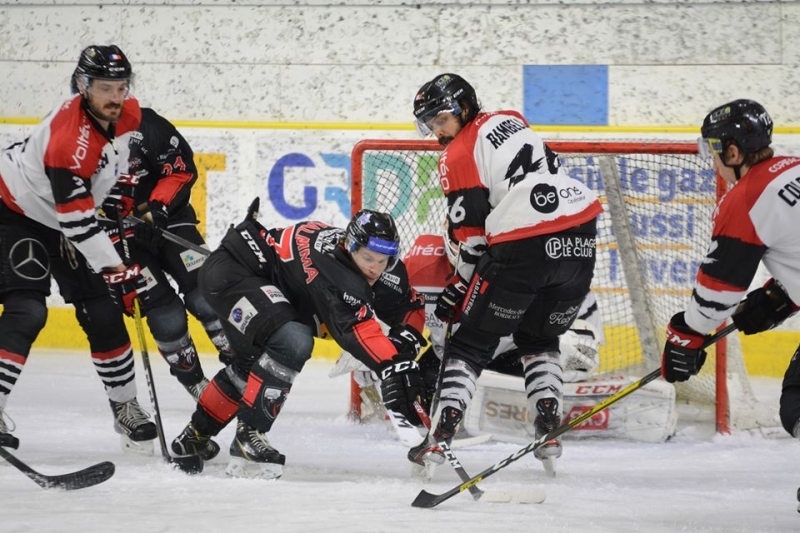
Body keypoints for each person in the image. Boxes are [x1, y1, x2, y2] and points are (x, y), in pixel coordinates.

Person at [411, 73, 603, 474]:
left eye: (441, 120)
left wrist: (458, 288)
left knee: (468, 343)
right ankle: (548, 428)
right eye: (430, 125)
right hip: (581, 234)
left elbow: (474, 239)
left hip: (525, 236)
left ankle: (439, 437)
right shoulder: (512, 119)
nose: (437, 132)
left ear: (464, 108)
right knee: (540, 337)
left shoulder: (457, 154)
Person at [170, 205, 429, 479]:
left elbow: (409, 305)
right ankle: (249, 437)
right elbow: (355, 330)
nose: (375, 268)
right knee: (292, 340)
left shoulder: (371, 265)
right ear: (349, 245)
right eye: (368, 258)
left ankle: (192, 438)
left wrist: (406, 340)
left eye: (383, 260)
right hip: (233, 274)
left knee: (251, 369)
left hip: (267, 286)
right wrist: (394, 365)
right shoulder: (334, 269)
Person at [0, 45, 157, 451]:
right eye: (106, 87)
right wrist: (114, 268)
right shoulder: (66, 139)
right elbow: (77, 222)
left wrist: (118, 191)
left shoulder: (128, 114)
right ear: (83, 85)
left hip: (66, 217)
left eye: (122, 86)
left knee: (102, 310)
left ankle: (126, 407)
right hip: (15, 211)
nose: (116, 96)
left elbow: (110, 167)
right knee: (27, 310)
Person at [660, 100, 800, 439]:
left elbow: (719, 290)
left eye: (714, 151)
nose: (714, 163)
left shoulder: (747, 199)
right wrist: (781, 296)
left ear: (733, 152)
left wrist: (687, 333)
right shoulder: (794, 167)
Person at [98, 105, 235, 400]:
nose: (112, 96)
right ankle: (197, 384)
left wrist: (157, 206)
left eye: (118, 87)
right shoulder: (73, 138)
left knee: (207, 289)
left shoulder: (146, 124)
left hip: (169, 217)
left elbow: (181, 169)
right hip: (118, 234)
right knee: (164, 311)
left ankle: (240, 362)